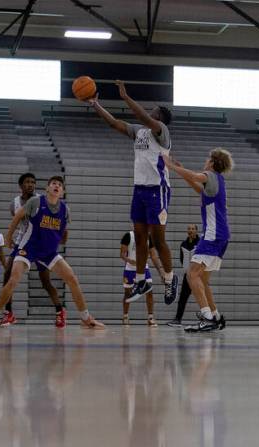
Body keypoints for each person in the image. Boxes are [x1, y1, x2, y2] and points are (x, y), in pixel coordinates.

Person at [86, 81, 178, 306]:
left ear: (160, 117)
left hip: (158, 188)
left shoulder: (161, 132)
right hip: (139, 188)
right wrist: (96, 104)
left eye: (155, 111)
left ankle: (169, 278)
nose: (151, 111)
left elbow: (145, 118)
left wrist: (126, 98)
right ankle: (140, 280)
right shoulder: (139, 132)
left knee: (158, 238)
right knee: (139, 237)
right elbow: (115, 123)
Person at [0, 176, 104, 330]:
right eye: (53, 183)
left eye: (60, 185)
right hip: (29, 247)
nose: (56, 186)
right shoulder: (36, 202)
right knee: (13, 279)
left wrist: (62, 237)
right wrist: (9, 236)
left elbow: (64, 233)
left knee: (72, 278)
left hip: (48, 252)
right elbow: (18, 217)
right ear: (47, 188)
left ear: (62, 192)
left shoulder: (65, 210)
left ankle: (85, 318)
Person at [162, 149, 234, 333]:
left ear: (212, 162)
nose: (205, 160)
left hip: (213, 234)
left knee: (191, 274)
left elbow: (196, 176)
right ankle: (216, 316)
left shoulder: (209, 175)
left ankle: (207, 317)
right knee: (202, 278)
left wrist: (170, 166)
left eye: (208, 158)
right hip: (222, 236)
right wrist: (181, 169)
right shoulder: (217, 180)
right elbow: (197, 187)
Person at [2, 172, 64, 326]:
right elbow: (17, 221)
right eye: (27, 182)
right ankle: (9, 312)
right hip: (22, 243)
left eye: (33, 182)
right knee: (8, 273)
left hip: (40, 243)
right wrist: (9, 238)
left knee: (45, 281)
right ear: (21, 186)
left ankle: (59, 311)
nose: (31, 184)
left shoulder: (41, 200)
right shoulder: (14, 203)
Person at [120, 230, 161, 326]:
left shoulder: (149, 237)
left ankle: (150, 318)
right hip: (130, 269)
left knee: (149, 292)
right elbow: (122, 254)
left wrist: (161, 271)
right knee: (128, 293)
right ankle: (125, 316)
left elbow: (153, 255)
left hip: (144, 268)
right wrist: (129, 260)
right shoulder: (128, 235)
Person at [167, 224, 200, 328]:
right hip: (188, 276)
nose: (190, 230)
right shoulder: (183, 244)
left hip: (198, 276)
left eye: (193, 229)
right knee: (182, 298)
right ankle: (177, 319)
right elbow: (182, 259)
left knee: (201, 297)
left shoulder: (200, 243)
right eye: (189, 229)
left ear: (196, 231)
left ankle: (209, 318)